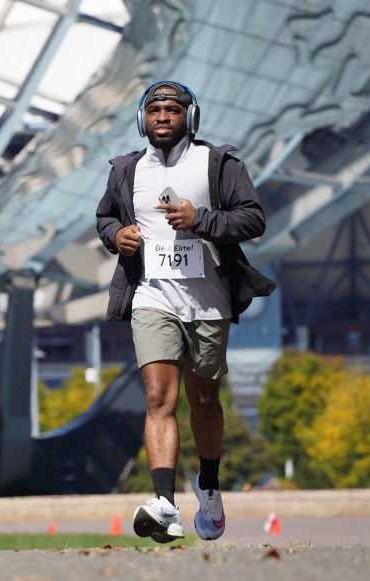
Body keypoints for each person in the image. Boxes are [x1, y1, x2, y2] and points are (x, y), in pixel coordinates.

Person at [95, 80, 275, 543]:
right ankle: (164, 503)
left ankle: (209, 485)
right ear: (142, 119)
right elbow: (105, 217)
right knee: (159, 398)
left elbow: (253, 218)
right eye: (153, 110)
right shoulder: (127, 169)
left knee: (205, 401)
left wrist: (202, 220)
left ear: (190, 118)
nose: (162, 117)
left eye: (172, 110)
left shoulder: (218, 164)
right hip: (152, 296)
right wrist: (116, 235)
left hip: (208, 301)